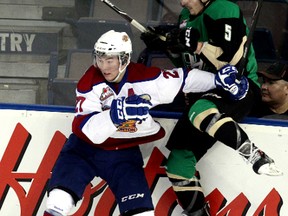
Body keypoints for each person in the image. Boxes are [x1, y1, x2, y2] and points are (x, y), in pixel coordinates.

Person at [43, 30, 241, 216]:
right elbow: (87, 131)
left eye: (110, 59)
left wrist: (217, 80)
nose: (104, 66)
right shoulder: (89, 81)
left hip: (123, 154)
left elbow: (185, 79)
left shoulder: (146, 79)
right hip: (84, 151)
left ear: (125, 59)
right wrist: (115, 115)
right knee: (58, 202)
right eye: (100, 59)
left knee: (142, 213)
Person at [140, 0, 283, 215]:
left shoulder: (223, 9)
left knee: (200, 108)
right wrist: (165, 45)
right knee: (178, 164)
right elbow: (186, 64)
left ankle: (253, 154)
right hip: (205, 98)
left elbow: (232, 61)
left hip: (238, 88)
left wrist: (197, 45)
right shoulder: (185, 18)